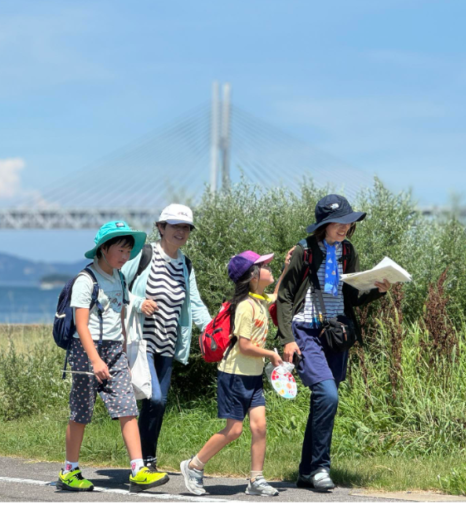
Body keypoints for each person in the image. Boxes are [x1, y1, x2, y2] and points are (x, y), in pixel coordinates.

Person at [276, 195, 391, 492]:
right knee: (327, 395)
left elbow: (351, 297)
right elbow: (285, 297)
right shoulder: (305, 251)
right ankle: (321, 468)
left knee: (323, 403)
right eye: (338, 223)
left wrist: (377, 291)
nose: (344, 227)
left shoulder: (348, 251)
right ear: (324, 225)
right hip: (306, 331)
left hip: (335, 334)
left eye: (348, 222)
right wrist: (287, 339)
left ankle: (306, 471)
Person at [58, 220, 170, 493]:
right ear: (103, 249)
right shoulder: (86, 280)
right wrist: (95, 359)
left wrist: (122, 349)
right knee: (81, 413)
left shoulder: (120, 278)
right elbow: (81, 325)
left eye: (129, 250)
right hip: (87, 352)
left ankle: (138, 469)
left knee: (128, 407)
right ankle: (69, 470)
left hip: (114, 350)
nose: (126, 256)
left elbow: (120, 315)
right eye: (121, 250)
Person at [180, 250, 291, 497]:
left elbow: (277, 292)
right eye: (263, 265)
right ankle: (193, 466)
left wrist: (285, 268)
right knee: (234, 430)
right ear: (253, 275)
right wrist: (271, 355)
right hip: (234, 375)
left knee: (260, 426)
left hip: (252, 376)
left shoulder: (260, 300)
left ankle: (256, 480)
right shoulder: (245, 307)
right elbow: (244, 346)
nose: (268, 268)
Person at [122, 204, 211, 472]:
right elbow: (116, 287)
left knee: (158, 405)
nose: (181, 232)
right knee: (155, 399)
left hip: (168, 344)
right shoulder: (144, 254)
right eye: (175, 226)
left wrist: (211, 329)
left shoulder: (185, 264)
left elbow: (195, 302)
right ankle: (141, 460)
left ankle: (146, 460)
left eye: (185, 227)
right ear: (161, 228)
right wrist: (138, 302)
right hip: (141, 341)